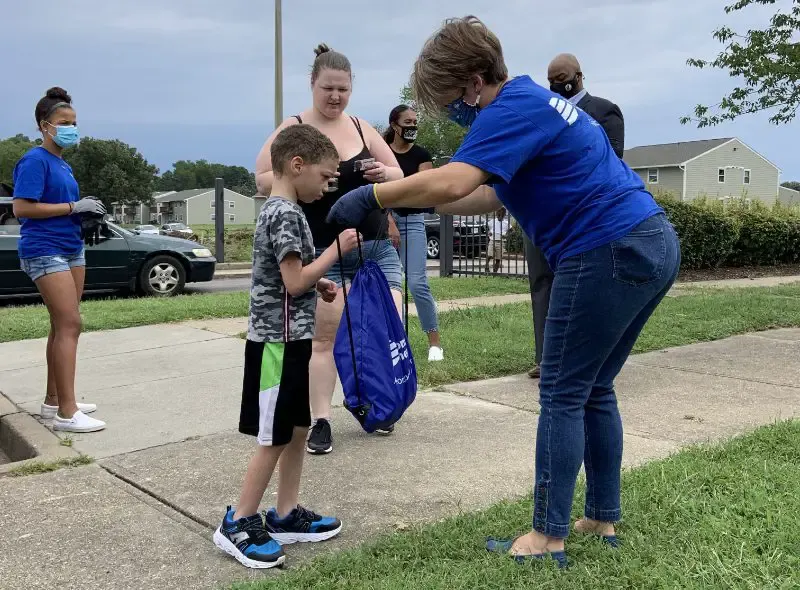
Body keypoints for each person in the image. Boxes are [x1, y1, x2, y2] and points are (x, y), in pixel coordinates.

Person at [326, 15, 680, 566]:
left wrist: (375, 199)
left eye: (446, 97)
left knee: (562, 391)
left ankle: (547, 537)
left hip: (603, 246)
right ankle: (601, 518)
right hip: (648, 239)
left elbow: (455, 179)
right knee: (594, 387)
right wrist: (408, 196)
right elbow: (486, 196)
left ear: (471, 79)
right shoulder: (536, 104)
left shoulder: (511, 107)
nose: (446, 110)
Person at [214, 124, 357, 569]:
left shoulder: (285, 212)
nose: (328, 186)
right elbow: (295, 280)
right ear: (297, 165)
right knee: (275, 435)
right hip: (276, 345)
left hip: (291, 339)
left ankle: (285, 514)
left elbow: (292, 279)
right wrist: (336, 251)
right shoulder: (282, 214)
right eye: (326, 177)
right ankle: (238, 521)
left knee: (296, 429)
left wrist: (323, 284)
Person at [255, 44, 406, 455]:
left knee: (384, 324)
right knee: (324, 339)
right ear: (312, 85)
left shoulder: (361, 127)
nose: (335, 97)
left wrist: (382, 172)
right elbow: (262, 178)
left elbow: (398, 173)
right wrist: (307, 173)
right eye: (327, 89)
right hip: (324, 249)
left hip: (374, 248)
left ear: (352, 88)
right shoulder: (296, 126)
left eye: (342, 89)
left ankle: (378, 402)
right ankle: (321, 419)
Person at [524, 53, 626, 379]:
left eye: (562, 78)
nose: (557, 84)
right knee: (542, 286)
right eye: (552, 79)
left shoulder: (605, 111)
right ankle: (546, 358)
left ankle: (589, 358)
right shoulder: (544, 112)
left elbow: (607, 162)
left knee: (585, 286)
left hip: (584, 219)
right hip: (541, 216)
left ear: (579, 76)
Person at [12, 87, 107, 433]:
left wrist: (87, 214)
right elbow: (22, 207)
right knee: (70, 324)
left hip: (70, 247)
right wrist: (72, 207)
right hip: (44, 249)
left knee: (61, 325)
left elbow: (61, 208)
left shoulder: (61, 163)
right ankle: (68, 413)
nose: (72, 128)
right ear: (44, 126)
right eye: (64, 123)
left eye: (75, 122)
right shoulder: (35, 160)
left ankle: (55, 401)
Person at [384, 104, 443, 361]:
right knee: (390, 285)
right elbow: (376, 191)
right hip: (385, 222)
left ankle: (434, 343)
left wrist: (400, 193)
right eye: (408, 122)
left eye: (415, 122)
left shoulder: (421, 154)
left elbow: (424, 189)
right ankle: (393, 342)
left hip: (414, 221)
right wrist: (389, 221)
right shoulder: (383, 153)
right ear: (395, 125)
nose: (412, 127)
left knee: (418, 282)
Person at [486, 206, 509, 274]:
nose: (499, 216)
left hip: (501, 242)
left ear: (504, 215)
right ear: (496, 214)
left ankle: (495, 272)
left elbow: (512, 231)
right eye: (498, 215)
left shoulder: (506, 223)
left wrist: (506, 235)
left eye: (501, 215)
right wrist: (488, 232)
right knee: (489, 255)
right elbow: (486, 227)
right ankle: (486, 268)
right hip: (492, 240)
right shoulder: (492, 221)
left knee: (498, 259)